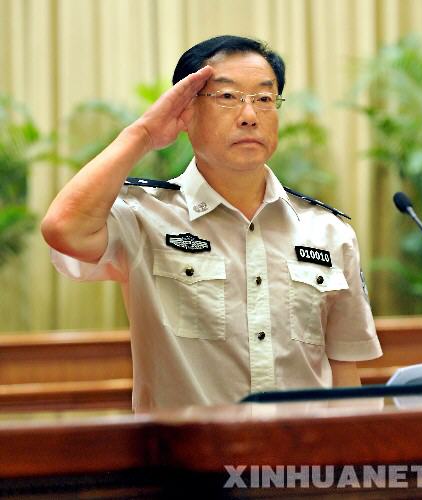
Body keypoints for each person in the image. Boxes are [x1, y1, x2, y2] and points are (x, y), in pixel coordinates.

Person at [41, 35, 382, 411]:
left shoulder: (327, 231)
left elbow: (345, 378)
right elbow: (64, 229)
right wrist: (144, 134)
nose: (249, 115)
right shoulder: (144, 217)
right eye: (227, 97)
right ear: (186, 111)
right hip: (190, 449)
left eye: (264, 98)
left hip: (300, 450)